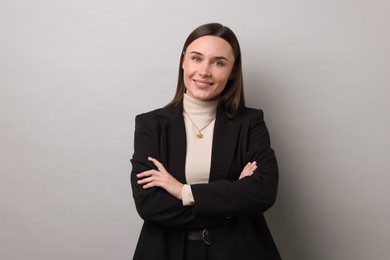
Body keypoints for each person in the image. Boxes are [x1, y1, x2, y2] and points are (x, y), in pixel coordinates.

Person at [130, 23, 281, 260]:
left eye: (218, 62)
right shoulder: (151, 125)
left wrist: (183, 191)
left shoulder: (251, 122)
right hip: (166, 252)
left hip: (237, 252)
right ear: (183, 62)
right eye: (197, 58)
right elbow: (150, 205)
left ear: (232, 71)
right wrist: (232, 202)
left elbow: (263, 192)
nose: (204, 71)